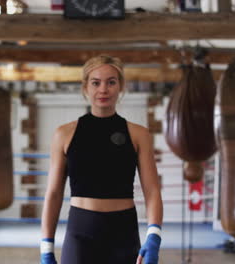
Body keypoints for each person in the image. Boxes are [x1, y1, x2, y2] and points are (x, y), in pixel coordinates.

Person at [40, 55, 163, 264]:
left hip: (123, 233)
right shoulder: (64, 134)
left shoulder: (139, 135)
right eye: (96, 82)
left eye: (111, 82)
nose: (103, 89)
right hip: (81, 234)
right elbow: (53, 193)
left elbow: (152, 191)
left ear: (120, 87)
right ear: (85, 87)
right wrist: (46, 247)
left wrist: (154, 236)